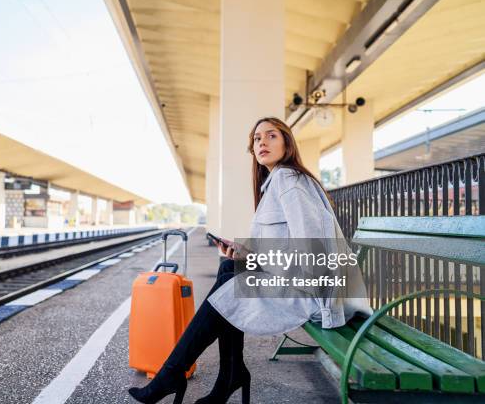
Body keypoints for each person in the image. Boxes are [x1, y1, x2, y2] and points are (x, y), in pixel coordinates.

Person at [128, 117, 372, 404]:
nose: (262, 143)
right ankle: (225, 374)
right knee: (229, 268)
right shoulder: (276, 181)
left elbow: (313, 248)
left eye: (271, 136)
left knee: (231, 280)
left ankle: (176, 374)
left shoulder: (289, 180)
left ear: (286, 143)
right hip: (302, 282)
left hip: (315, 292)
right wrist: (246, 254)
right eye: (257, 139)